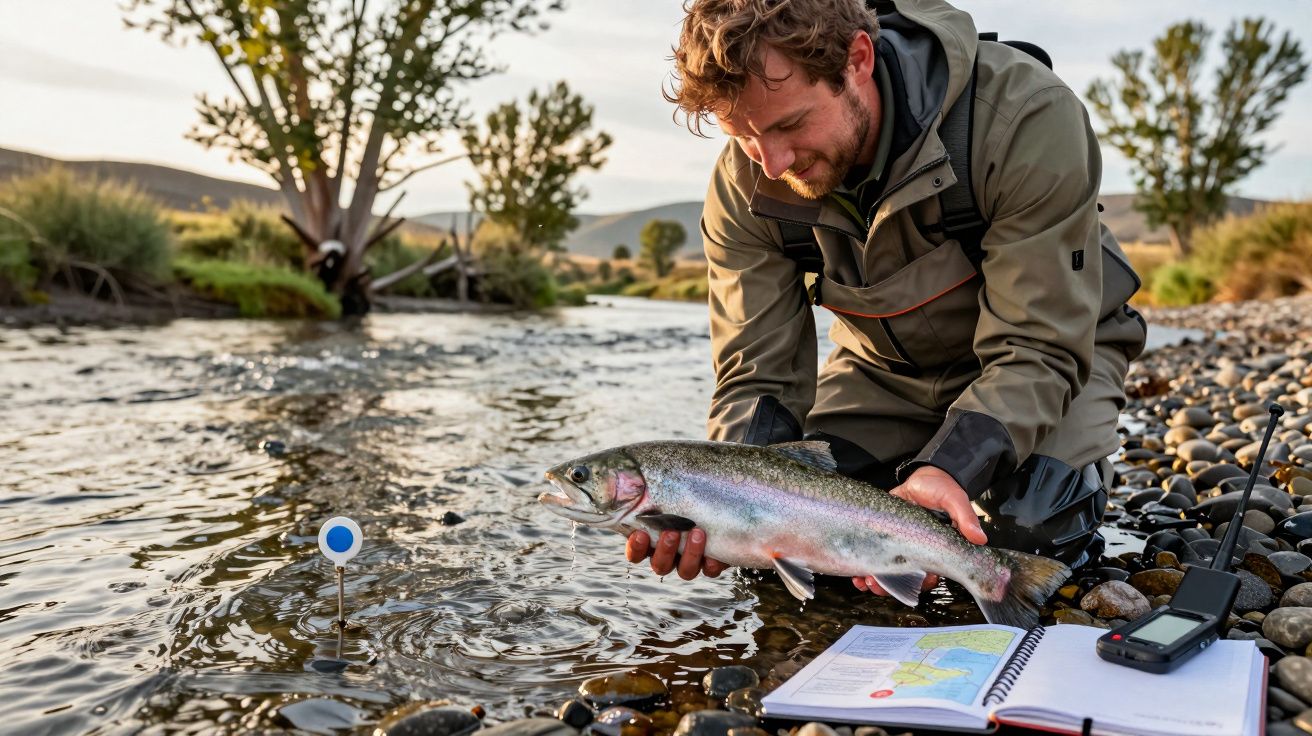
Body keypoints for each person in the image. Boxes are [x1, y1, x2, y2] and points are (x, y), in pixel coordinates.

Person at [626, 0, 1148, 596]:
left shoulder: (1024, 117)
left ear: (858, 60)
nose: (771, 162)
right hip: (883, 376)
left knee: (1020, 537)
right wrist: (727, 507)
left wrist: (949, 469)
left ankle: (1074, 478)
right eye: (742, 136)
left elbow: (1039, 346)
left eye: (789, 124)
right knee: (780, 558)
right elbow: (756, 376)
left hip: (1049, 360)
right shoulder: (744, 184)